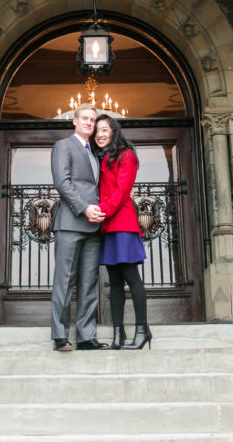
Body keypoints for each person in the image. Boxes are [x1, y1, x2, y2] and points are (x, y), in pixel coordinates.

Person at [50, 104, 109, 351]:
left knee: (89, 283)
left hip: (93, 228)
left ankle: (86, 337)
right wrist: (85, 208)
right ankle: (61, 336)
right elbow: (62, 183)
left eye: (92, 120)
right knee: (65, 281)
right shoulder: (63, 146)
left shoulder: (95, 153)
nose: (89, 122)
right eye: (84, 118)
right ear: (74, 121)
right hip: (70, 223)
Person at [93, 114, 151, 350]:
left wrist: (101, 211)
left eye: (104, 129)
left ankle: (142, 330)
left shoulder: (126, 156)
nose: (99, 134)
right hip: (107, 226)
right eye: (97, 130)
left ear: (114, 131)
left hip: (122, 223)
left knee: (131, 278)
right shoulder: (99, 157)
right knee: (114, 282)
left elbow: (121, 191)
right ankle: (119, 334)